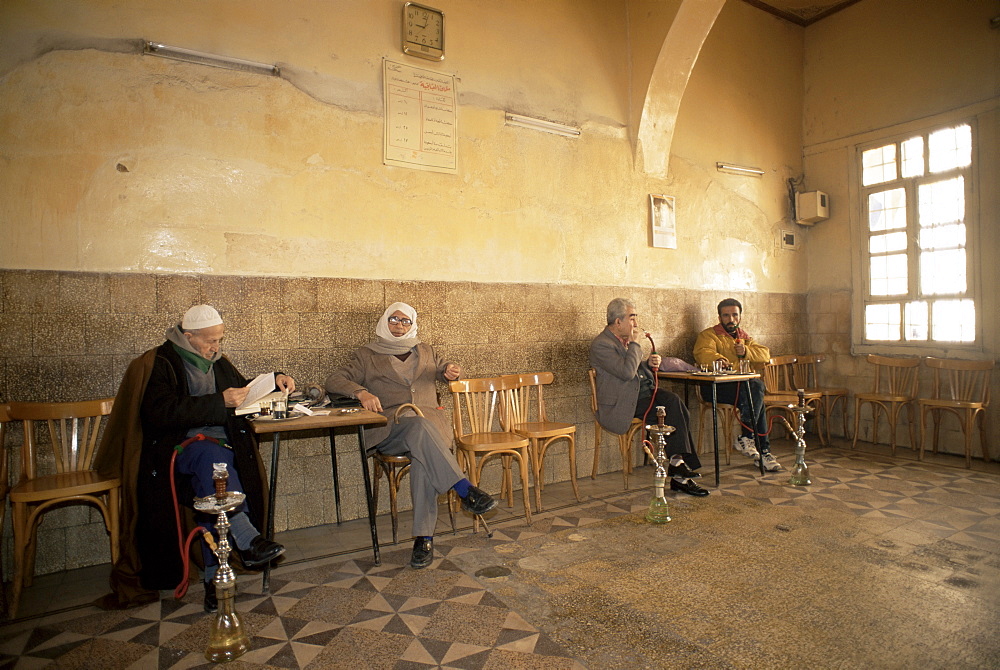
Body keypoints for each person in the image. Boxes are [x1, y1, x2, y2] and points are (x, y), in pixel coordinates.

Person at [96, 305, 292, 613]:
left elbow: (241, 391)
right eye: (209, 341)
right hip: (178, 451)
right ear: (188, 337)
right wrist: (217, 402)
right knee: (212, 462)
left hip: (221, 450)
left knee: (214, 479)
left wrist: (275, 378)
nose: (215, 347)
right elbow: (160, 412)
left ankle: (217, 581)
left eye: (219, 340)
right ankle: (246, 538)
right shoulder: (161, 363)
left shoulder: (218, 362)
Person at [325, 302, 497, 569]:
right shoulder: (366, 354)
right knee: (418, 429)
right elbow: (334, 380)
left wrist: (450, 370)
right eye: (394, 319)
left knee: (423, 458)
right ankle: (464, 489)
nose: (399, 325)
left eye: (405, 321)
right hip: (391, 427)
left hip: (430, 428)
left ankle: (424, 539)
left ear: (413, 324)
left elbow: (443, 370)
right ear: (385, 321)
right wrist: (361, 393)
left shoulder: (425, 350)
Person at [589, 298, 707, 496]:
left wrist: (650, 363)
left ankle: (678, 465)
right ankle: (679, 472)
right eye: (632, 318)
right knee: (670, 410)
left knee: (677, 404)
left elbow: (635, 369)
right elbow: (626, 372)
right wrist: (635, 345)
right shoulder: (602, 344)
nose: (635, 324)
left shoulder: (623, 341)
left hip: (641, 395)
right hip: (622, 403)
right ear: (618, 322)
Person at [693, 297, 781, 472]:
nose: (730, 319)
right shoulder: (709, 335)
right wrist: (718, 359)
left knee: (756, 393)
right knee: (755, 389)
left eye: (734, 315)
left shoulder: (744, 337)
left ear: (740, 317)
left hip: (741, 387)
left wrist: (747, 351)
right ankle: (756, 445)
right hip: (715, 388)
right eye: (726, 315)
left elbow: (765, 354)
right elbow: (701, 353)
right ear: (719, 318)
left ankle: (757, 447)